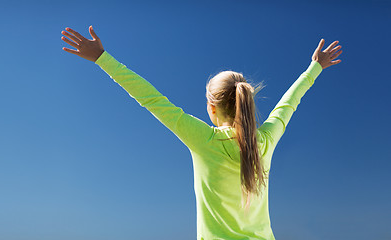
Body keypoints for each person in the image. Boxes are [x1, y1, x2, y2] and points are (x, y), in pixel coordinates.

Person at [60, 25, 343, 240]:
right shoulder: (264, 141)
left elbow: (152, 99)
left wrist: (102, 58)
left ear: (212, 108)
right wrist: (314, 67)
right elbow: (288, 104)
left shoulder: (204, 140)